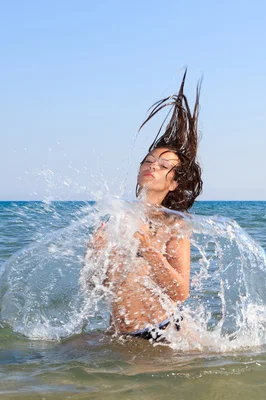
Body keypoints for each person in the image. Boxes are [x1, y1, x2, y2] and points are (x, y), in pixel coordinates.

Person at [86, 70, 203, 341]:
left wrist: (148, 250)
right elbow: (96, 286)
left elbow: (180, 291)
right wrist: (95, 256)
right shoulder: (117, 216)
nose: (152, 166)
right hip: (120, 334)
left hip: (162, 333)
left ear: (173, 183)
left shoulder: (173, 224)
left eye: (163, 166)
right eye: (148, 161)